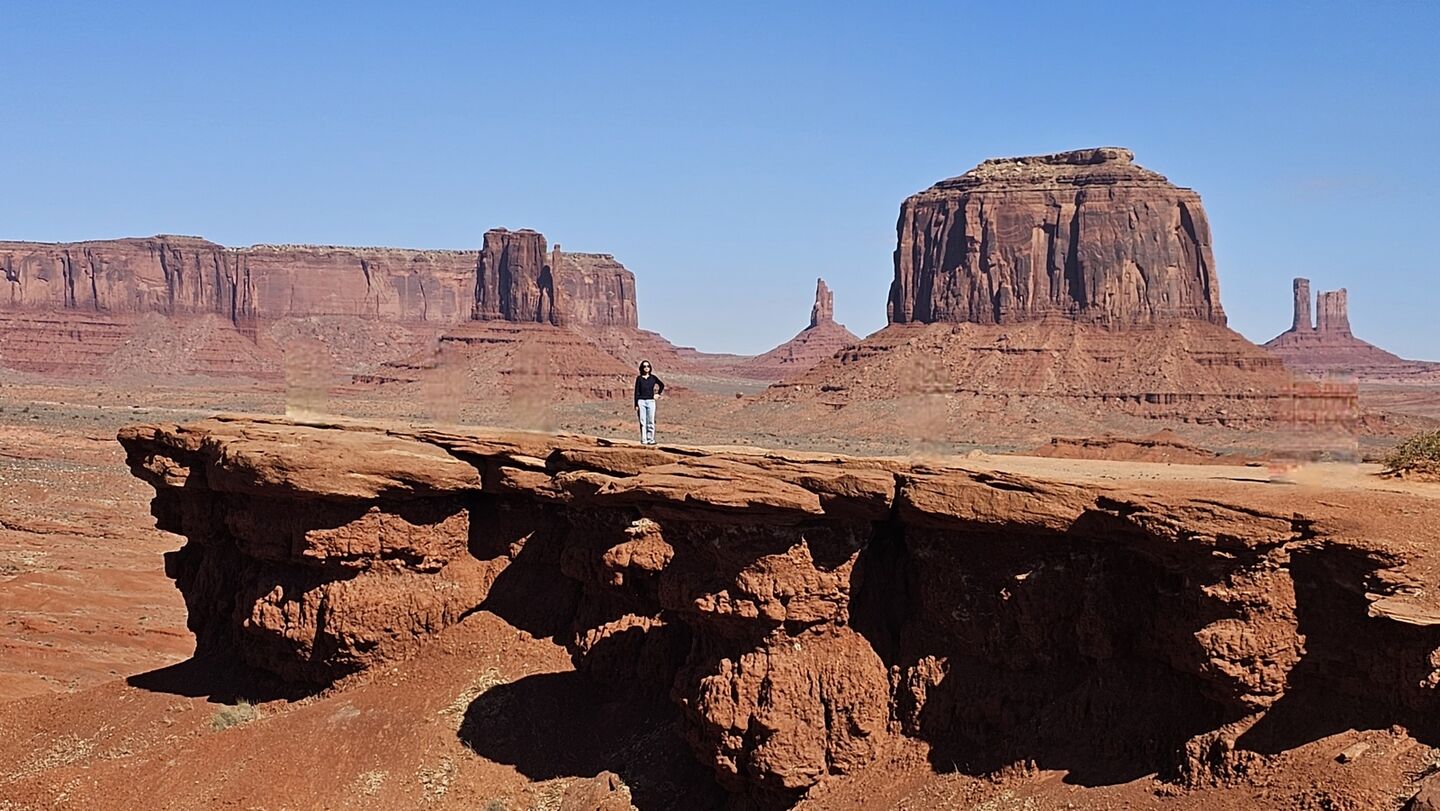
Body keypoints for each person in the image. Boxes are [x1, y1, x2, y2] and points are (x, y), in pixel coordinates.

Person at [633, 360, 665, 445]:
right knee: (643, 421)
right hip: (641, 402)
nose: (646, 368)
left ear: (650, 368)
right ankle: (644, 439)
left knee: (650, 421)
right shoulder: (639, 378)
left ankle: (651, 439)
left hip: (651, 401)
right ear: (641, 368)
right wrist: (636, 404)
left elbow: (661, 385)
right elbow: (636, 392)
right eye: (644, 366)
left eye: (648, 366)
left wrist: (658, 394)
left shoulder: (653, 378)